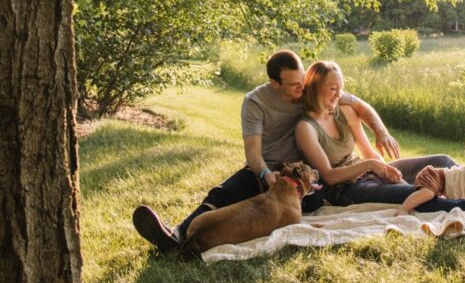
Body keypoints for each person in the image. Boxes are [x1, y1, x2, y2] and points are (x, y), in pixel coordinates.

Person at [132, 48, 401, 254]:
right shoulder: (256, 102)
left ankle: (223, 233)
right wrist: (264, 174)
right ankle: (177, 235)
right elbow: (252, 151)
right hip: (266, 166)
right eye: (294, 84)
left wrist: (381, 131)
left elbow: (360, 105)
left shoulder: (308, 91)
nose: (301, 88)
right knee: (224, 193)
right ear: (274, 83)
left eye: (302, 81)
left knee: (312, 202)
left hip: (301, 172)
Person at [295, 61, 465, 216]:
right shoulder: (306, 128)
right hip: (345, 189)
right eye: (333, 89)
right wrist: (371, 165)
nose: (339, 94)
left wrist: (386, 169)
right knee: (419, 193)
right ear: (315, 88)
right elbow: (330, 177)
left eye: (341, 88)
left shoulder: (345, 111)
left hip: (368, 172)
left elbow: (368, 152)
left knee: (442, 161)